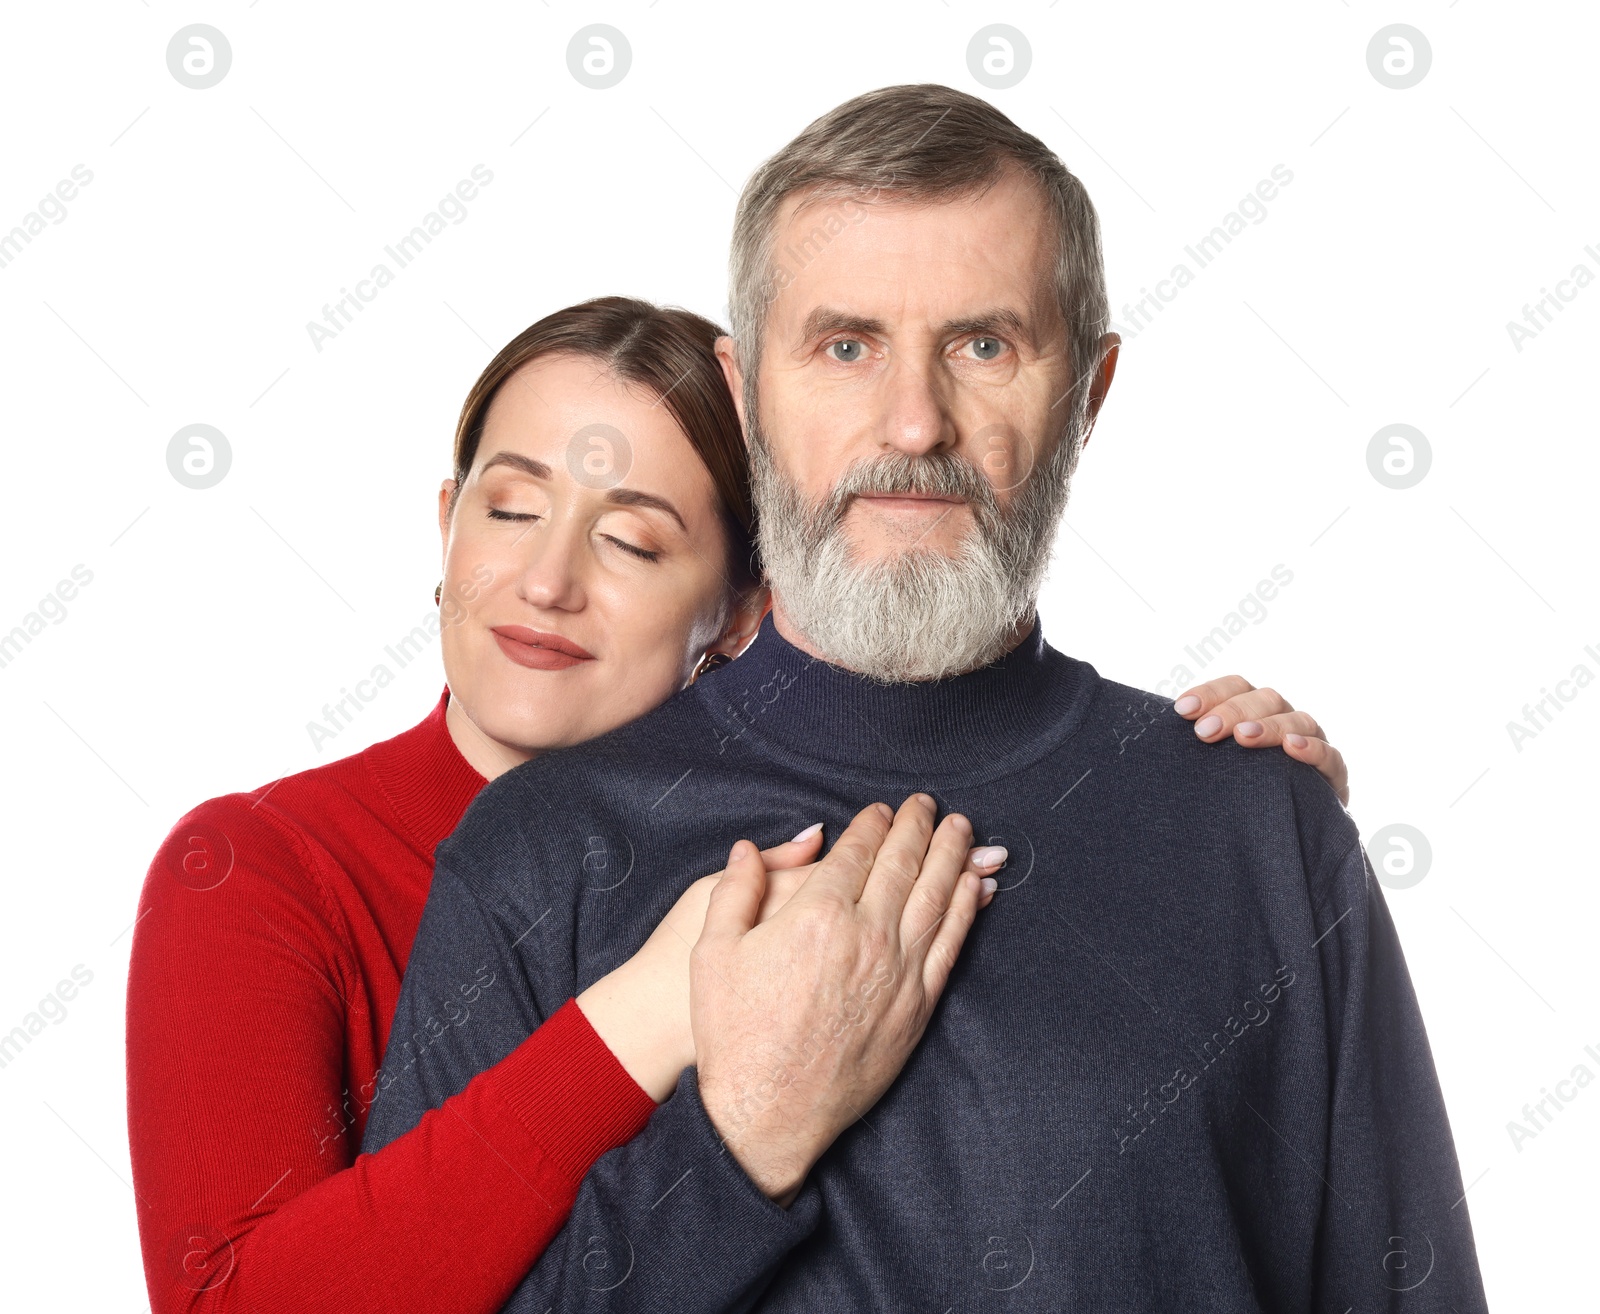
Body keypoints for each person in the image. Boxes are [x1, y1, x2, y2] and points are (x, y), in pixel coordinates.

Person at [363, 86, 1486, 1312]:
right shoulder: (542, 855)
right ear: (744, 396)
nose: (914, 422)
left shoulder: (1263, 834)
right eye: (845, 346)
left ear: (1089, 394)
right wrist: (740, 1146)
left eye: (983, 345)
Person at [125, 296, 1335, 1314]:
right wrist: (646, 1014)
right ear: (444, 525)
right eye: (509, 509)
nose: (545, 581)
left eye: (635, 544)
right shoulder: (257, 866)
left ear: (747, 607)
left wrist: (1237, 813)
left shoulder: (829, 854)